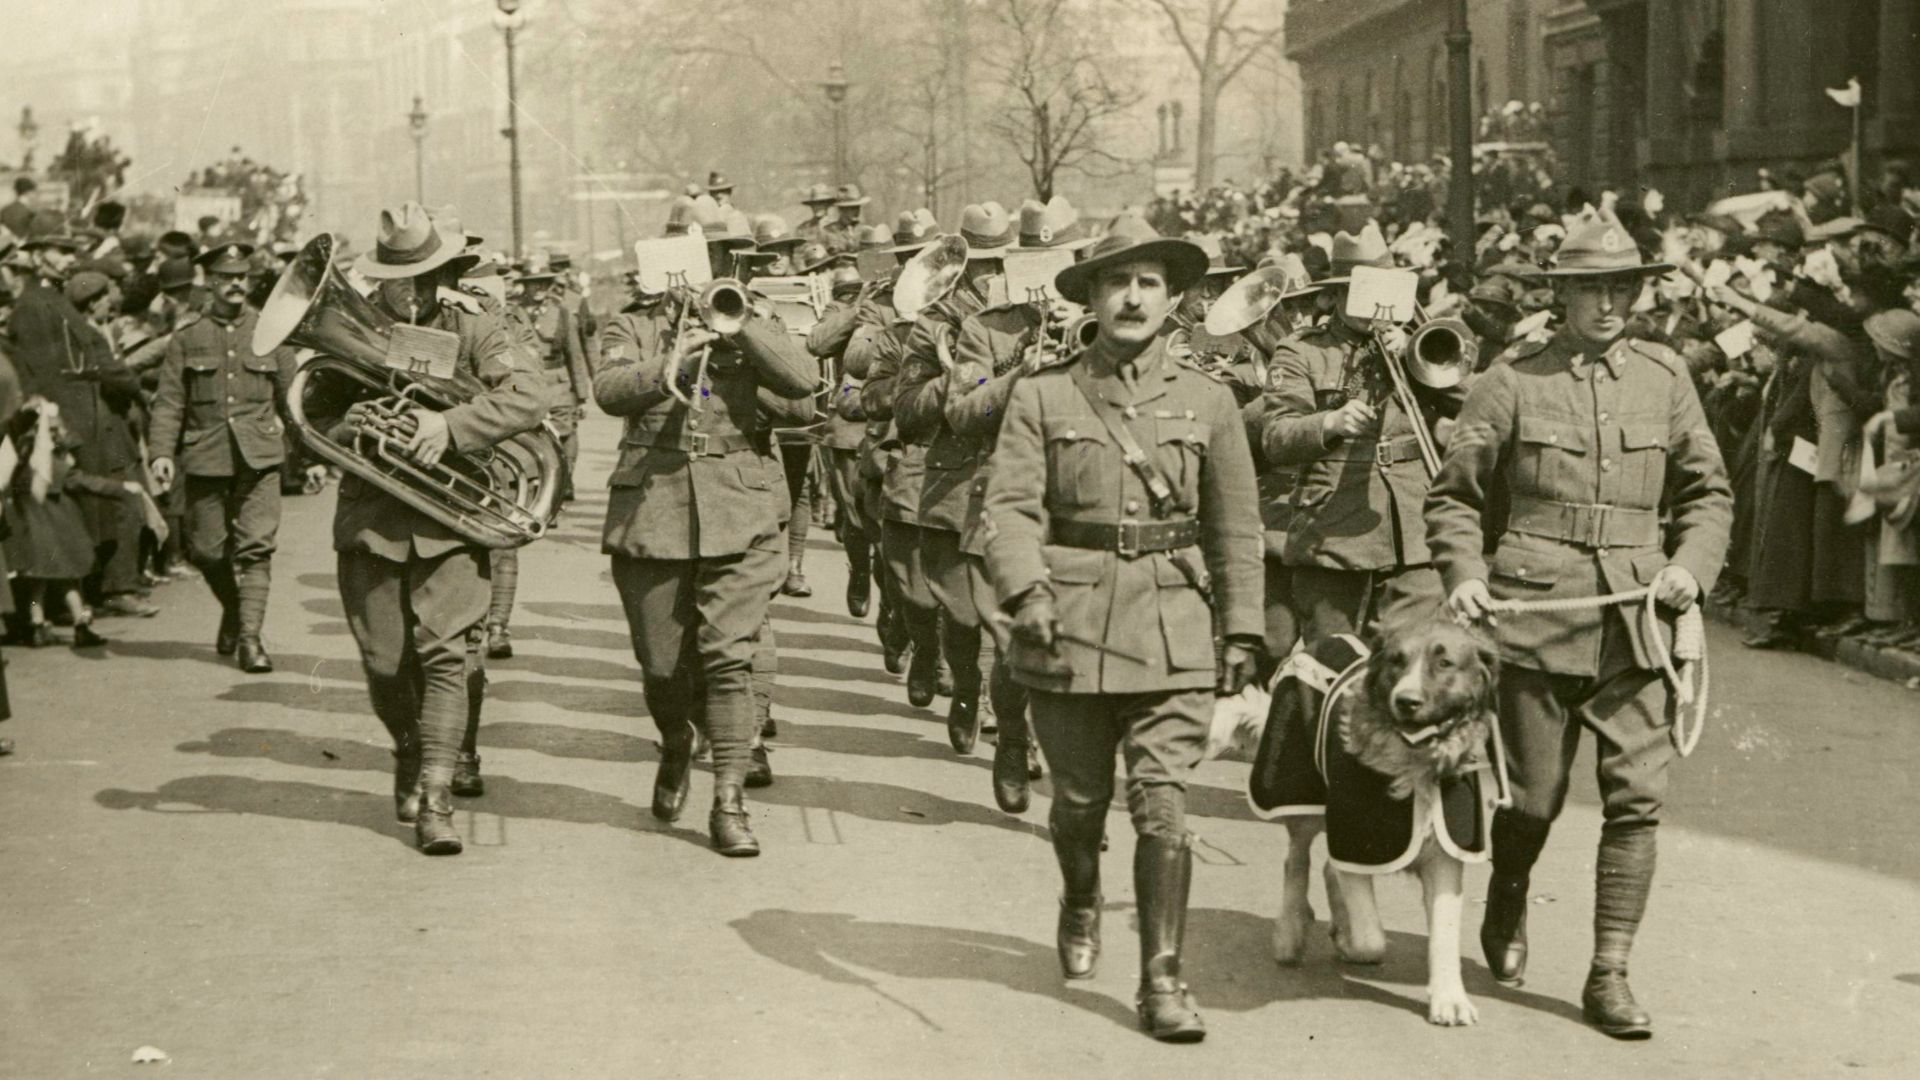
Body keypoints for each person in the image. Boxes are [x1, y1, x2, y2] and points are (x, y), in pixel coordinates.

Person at [1427, 216, 1732, 1039]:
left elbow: (1708, 493)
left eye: (1622, 288)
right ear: (1561, 295)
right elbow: (1455, 497)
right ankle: (1509, 889)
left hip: (1637, 620)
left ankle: (1609, 973)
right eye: (1592, 289)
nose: (1608, 305)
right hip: (1536, 616)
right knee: (1534, 798)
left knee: (1638, 800)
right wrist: (1467, 576)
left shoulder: (1666, 377)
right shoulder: (1512, 379)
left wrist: (1690, 568)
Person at [983, 214, 1262, 1042]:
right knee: (1078, 802)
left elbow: (1235, 526)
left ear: (1174, 300)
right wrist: (1027, 593)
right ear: (1093, 298)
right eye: (1117, 283)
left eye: (1149, 283)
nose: (1133, 298)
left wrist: (1242, 630)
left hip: (1175, 625)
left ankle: (1163, 978)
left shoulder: (1210, 400)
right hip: (1066, 628)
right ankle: (1079, 897)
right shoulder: (1043, 394)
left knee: (1163, 805)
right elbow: (1010, 509)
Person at [329, 202, 549, 855]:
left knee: (446, 657)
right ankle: (410, 747)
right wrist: (352, 424)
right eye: (401, 281)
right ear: (382, 279)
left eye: (425, 279)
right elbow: (310, 416)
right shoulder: (353, 327)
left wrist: (448, 427)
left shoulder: (475, 324)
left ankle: (436, 795)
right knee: (385, 663)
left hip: (454, 517)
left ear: (444, 274)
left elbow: (529, 395)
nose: (413, 294)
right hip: (373, 518)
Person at [595, 224, 817, 857]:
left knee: (729, 660)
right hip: (653, 511)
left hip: (740, 509)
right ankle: (676, 741)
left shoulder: (752, 318)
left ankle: (728, 801)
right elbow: (609, 391)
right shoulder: (633, 324)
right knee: (662, 667)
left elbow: (802, 386)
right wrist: (675, 356)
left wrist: (739, 330)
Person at [1261, 222, 1463, 648]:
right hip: (1333, 534)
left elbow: (1470, 403)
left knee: (1414, 659)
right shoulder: (1302, 351)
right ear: (1336, 296)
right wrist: (1329, 423)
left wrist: (1415, 352)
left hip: (1413, 530)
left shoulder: (1416, 341)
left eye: (1384, 289)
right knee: (1333, 659)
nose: (1376, 302)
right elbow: (1277, 437)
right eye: (1363, 290)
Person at [147, 243, 318, 672]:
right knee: (206, 550)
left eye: (241, 276)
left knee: (256, 549)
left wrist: (312, 457)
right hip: (206, 456)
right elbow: (169, 401)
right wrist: (161, 453)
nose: (236, 284)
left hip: (260, 458)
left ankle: (250, 640)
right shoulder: (188, 336)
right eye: (226, 278)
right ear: (210, 282)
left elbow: (293, 402)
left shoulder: (270, 331)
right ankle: (236, 610)